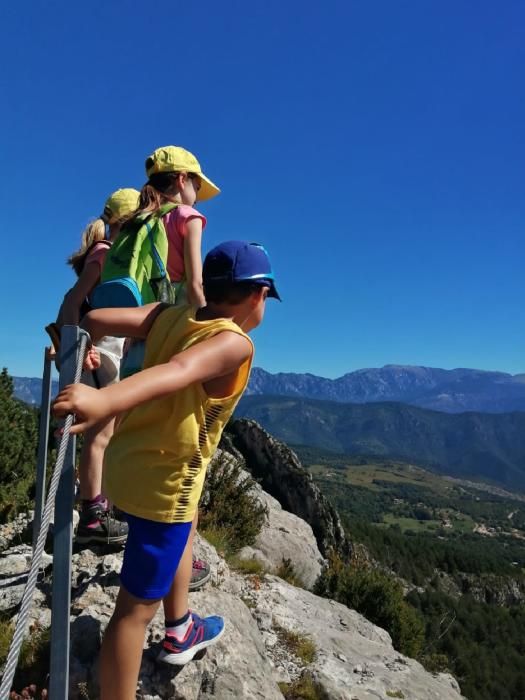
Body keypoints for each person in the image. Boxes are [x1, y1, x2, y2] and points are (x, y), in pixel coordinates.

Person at [53, 241, 280, 699]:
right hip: (164, 485)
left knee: (190, 515)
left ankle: (180, 627)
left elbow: (94, 318)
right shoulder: (233, 343)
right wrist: (101, 400)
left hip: (127, 463)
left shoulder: (167, 314)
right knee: (133, 612)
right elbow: (179, 369)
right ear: (258, 296)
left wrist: (86, 350)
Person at [49, 188, 140, 544]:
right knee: (101, 433)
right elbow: (73, 302)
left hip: (101, 349)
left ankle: (101, 507)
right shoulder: (105, 253)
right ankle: (93, 516)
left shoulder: (110, 255)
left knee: (108, 432)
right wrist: (81, 342)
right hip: (97, 351)